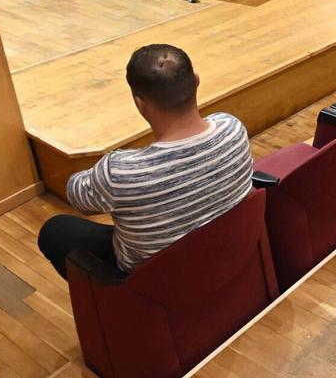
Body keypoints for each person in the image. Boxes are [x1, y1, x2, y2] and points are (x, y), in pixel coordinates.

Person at [36, 44, 253, 278]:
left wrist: (106, 173)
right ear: (197, 81)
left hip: (157, 283)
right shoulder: (233, 128)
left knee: (56, 230)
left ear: (140, 104)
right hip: (228, 255)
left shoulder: (119, 172)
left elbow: (76, 195)